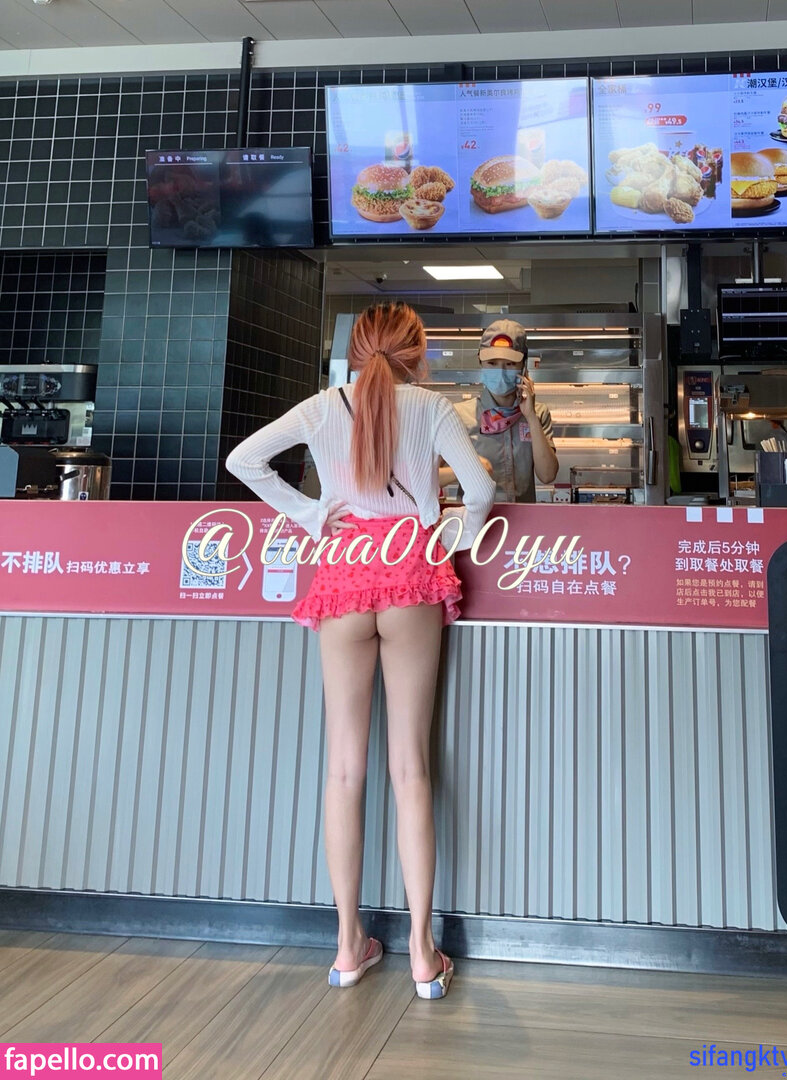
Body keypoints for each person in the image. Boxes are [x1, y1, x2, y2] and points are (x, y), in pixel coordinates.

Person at [225, 301, 495, 1000]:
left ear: (355, 350)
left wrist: (313, 515)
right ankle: (423, 954)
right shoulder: (432, 407)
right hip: (410, 573)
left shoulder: (321, 407)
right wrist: (448, 531)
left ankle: (349, 948)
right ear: (417, 352)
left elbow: (242, 460)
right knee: (410, 768)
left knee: (344, 770)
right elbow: (481, 486)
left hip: (342, 573)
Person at [438, 319, 558, 502]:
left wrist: (531, 418)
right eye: (492, 363)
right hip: (476, 518)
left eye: (510, 364)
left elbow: (547, 475)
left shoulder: (538, 413)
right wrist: (466, 469)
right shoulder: (459, 415)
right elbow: (427, 477)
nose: (500, 371)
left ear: (524, 365)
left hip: (524, 518)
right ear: (480, 362)